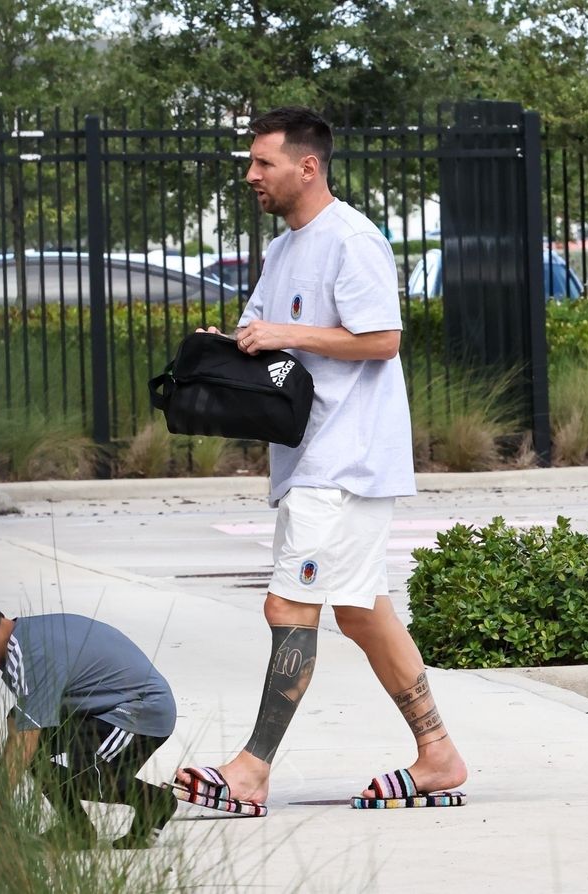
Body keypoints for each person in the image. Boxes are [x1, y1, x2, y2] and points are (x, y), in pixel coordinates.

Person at [174, 106, 467, 814]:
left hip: (347, 457)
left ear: (307, 167)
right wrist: (232, 343)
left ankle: (251, 771)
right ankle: (439, 754)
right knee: (363, 612)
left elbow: (382, 340)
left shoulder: (353, 240)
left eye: (262, 163)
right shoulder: (282, 249)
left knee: (287, 604)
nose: (251, 176)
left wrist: (285, 330)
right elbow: (265, 331)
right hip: (309, 454)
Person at [0, 577, 178, 848]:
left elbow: (25, 741)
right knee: (26, 734)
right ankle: (77, 830)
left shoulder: (29, 656)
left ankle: (155, 802)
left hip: (140, 712)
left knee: (82, 778)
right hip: (102, 710)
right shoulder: (23, 639)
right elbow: (19, 726)